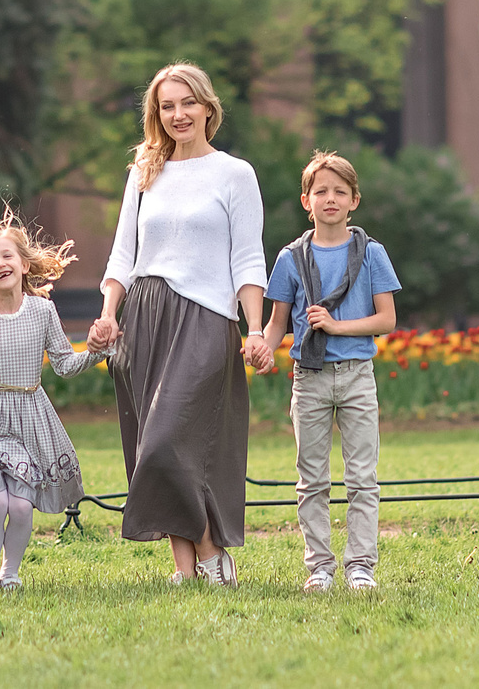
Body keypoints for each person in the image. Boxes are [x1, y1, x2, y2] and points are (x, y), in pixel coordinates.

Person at [88, 63, 271, 587]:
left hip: (206, 317)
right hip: (142, 316)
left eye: (187, 103)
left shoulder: (234, 174)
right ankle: (185, 569)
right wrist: (107, 316)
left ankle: (214, 552)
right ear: (156, 114)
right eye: (167, 106)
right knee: (152, 446)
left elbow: (248, 260)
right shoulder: (144, 171)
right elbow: (123, 254)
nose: (178, 115)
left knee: (177, 440)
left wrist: (254, 329)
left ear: (208, 108)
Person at [0, 212, 105, 592]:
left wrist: (96, 351)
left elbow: (63, 364)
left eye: (7, 256)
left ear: (24, 264)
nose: (0, 264)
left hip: (29, 419)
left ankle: (10, 573)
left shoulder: (42, 311)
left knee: (21, 507)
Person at [261, 149, 400, 593]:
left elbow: (386, 320)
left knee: (363, 478)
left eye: (340, 191)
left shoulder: (372, 253)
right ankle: (319, 567)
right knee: (311, 479)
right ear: (307, 201)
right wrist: (260, 347)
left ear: (354, 200)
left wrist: (338, 326)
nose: (330, 199)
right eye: (321, 191)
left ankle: (361, 566)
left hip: (358, 373)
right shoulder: (290, 258)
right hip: (310, 376)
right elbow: (278, 323)